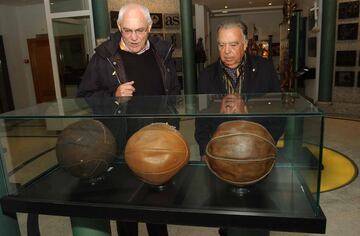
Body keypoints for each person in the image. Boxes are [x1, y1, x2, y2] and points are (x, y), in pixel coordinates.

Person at [78, 3, 180, 236]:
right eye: (127, 30)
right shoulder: (103, 57)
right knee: (125, 208)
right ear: (119, 27)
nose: (134, 37)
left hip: (158, 141)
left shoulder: (163, 53)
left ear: (150, 27)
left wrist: (172, 126)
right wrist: (113, 97)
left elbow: (173, 92)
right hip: (121, 143)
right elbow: (84, 97)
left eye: (140, 30)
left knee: (157, 205)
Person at [195, 20, 284, 236]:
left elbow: (280, 114)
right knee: (226, 213)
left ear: (245, 44)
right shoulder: (207, 75)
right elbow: (201, 120)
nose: (226, 51)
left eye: (233, 44)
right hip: (221, 156)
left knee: (258, 214)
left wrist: (264, 143)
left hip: (257, 156)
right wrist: (206, 150)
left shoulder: (264, 68)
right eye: (221, 45)